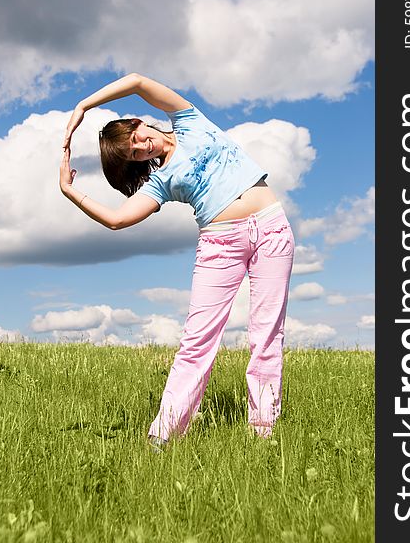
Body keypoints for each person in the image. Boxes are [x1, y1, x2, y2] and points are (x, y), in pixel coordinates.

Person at [61, 73, 295, 450]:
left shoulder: (188, 120)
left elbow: (137, 81)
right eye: (134, 154)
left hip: (272, 228)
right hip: (221, 244)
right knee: (197, 341)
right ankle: (163, 436)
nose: (141, 147)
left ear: (138, 123)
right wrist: (70, 191)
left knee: (267, 335)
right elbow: (117, 220)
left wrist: (84, 106)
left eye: (134, 139)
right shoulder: (161, 181)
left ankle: (263, 433)